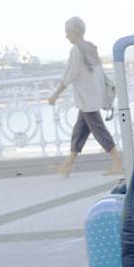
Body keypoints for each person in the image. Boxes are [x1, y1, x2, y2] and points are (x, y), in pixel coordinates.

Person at [47, 16, 122, 177]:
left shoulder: (76, 50)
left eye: (67, 32)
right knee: (79, 131)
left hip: (86, 99)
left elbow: (69, 76)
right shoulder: (91, 48)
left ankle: (119, 164)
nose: (66, 36)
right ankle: (68, 165)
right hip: (93, 96)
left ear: (76, 31)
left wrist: (54, 96)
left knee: (99, 131)